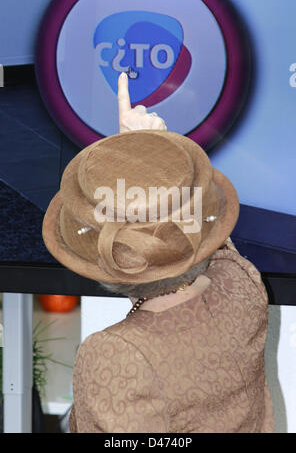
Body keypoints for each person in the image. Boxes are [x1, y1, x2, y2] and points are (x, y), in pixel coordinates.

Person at [42, 73, 274, 433]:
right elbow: (211, 235)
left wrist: (145, 151)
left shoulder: (116, 354)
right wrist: (156, 150)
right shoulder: (242, 287)